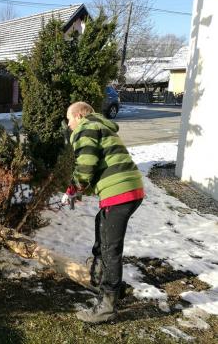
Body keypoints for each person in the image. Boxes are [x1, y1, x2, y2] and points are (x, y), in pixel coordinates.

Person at [62, 101, 144, 324]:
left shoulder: (85, 127)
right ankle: (101, 277)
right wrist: (79, 190)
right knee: (102, 225)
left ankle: (106, 306)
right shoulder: (101, 126)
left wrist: (73, 188)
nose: (68, 125)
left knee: (110, 248)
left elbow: (86, 163)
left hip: (120, 193)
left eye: (69, 119)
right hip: (131, 188)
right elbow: (99, 163)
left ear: (79, 115)